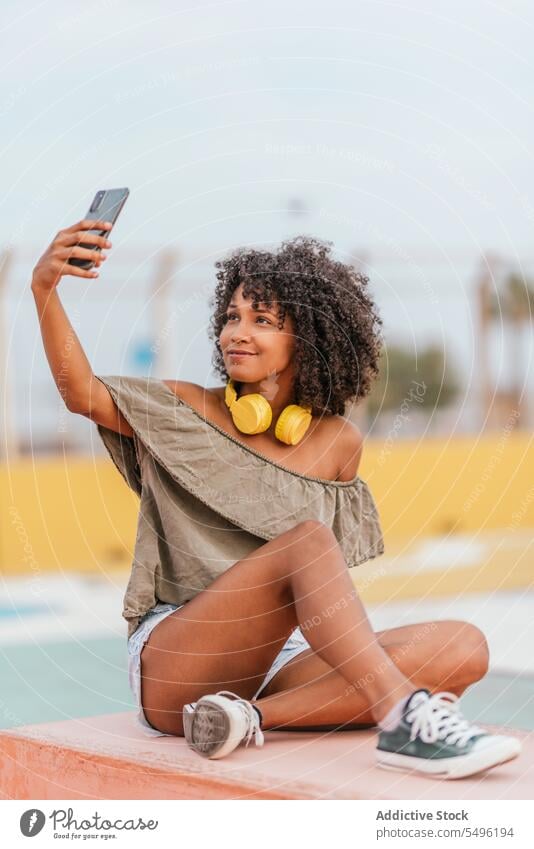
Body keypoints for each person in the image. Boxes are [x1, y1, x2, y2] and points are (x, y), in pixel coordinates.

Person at [31, 219, 521, 780]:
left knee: (463, 646)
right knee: (307, 545)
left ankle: (241, 717)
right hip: (176, 661)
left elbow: (320, 597)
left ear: (307, 338)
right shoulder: (182, 409)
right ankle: (402, 719)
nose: (237, 332)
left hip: (275, 665)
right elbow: (80, 391)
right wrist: (44, 288)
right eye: (232, 317)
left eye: (262, 320)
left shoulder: (339, 442)